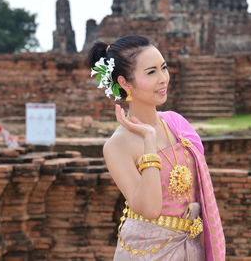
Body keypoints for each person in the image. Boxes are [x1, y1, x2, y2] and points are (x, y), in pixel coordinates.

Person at [88, 35, 225, 260]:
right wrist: (149, 140)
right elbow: (149, 208)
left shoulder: (176, 123)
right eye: (151, 72)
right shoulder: (117, 146)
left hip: (192, 245)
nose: (163, 79)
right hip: (149, 250)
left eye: (164, 68)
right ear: (125, 83)